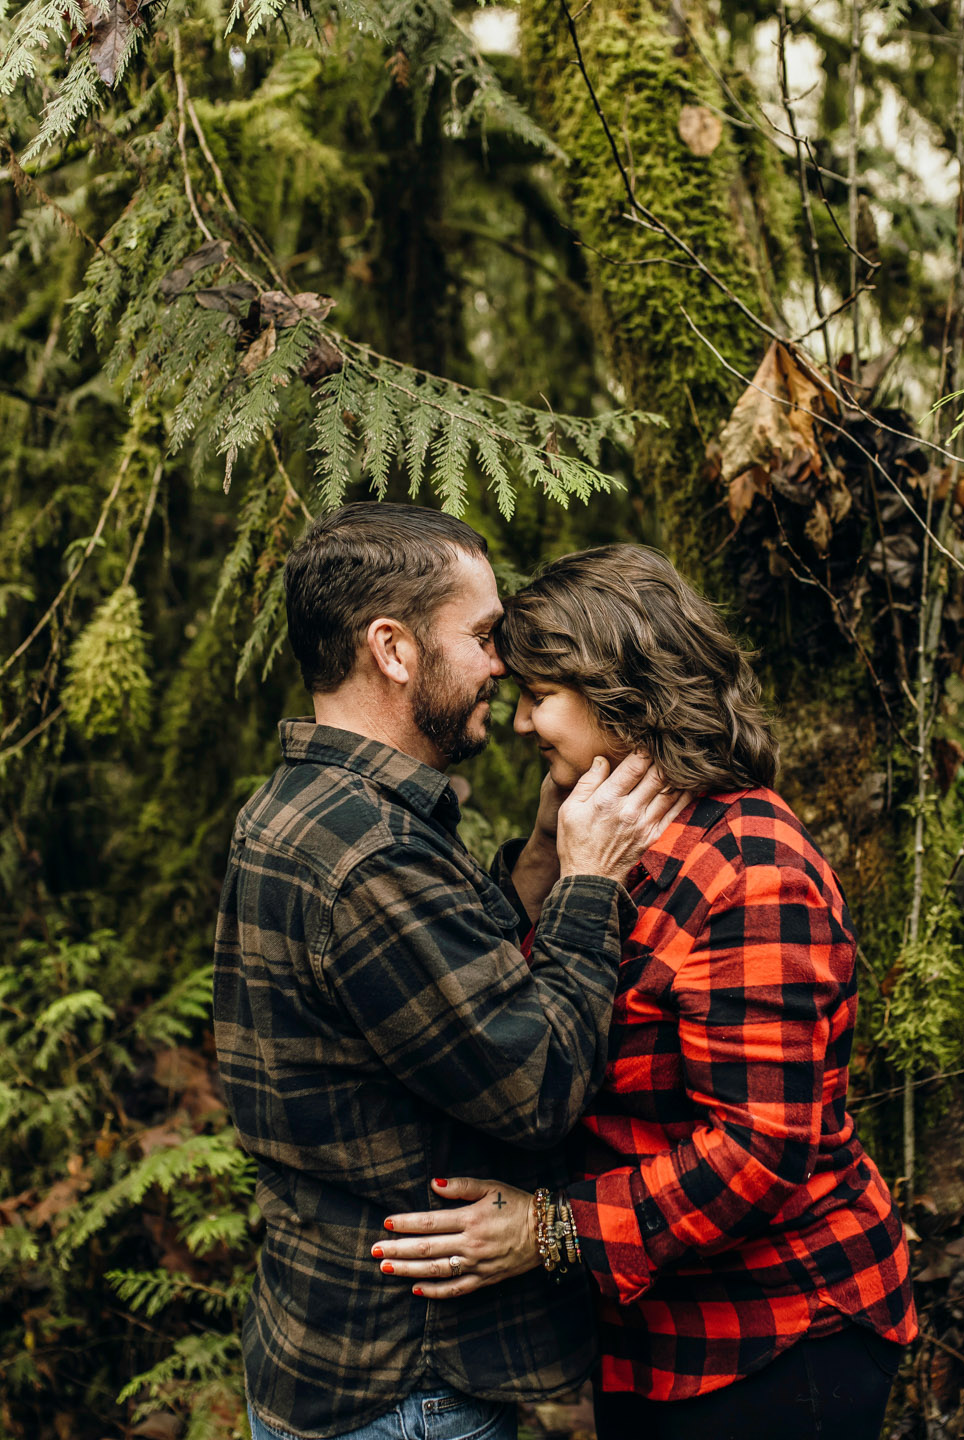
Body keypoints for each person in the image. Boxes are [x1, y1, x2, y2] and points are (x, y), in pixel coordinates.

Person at [372, 544, 918, 1440]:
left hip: (779, 1336)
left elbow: (760, 1148)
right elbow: (533, 1020)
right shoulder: (606, 843)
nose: (518, 725)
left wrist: (546, 1231)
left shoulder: (751, 868)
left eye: (539, 697)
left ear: (623, 695)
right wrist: (549, 860)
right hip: (652, 1337)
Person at [213, 507, 683, 1440]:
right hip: (407, 1385)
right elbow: (537, 1081)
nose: (501, 662)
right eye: (479, 635)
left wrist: (549, 848)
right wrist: (592, 885)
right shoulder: (369, 856)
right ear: (392, 648)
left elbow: (464, 983)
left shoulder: (315, 808)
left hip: (337, 1350)